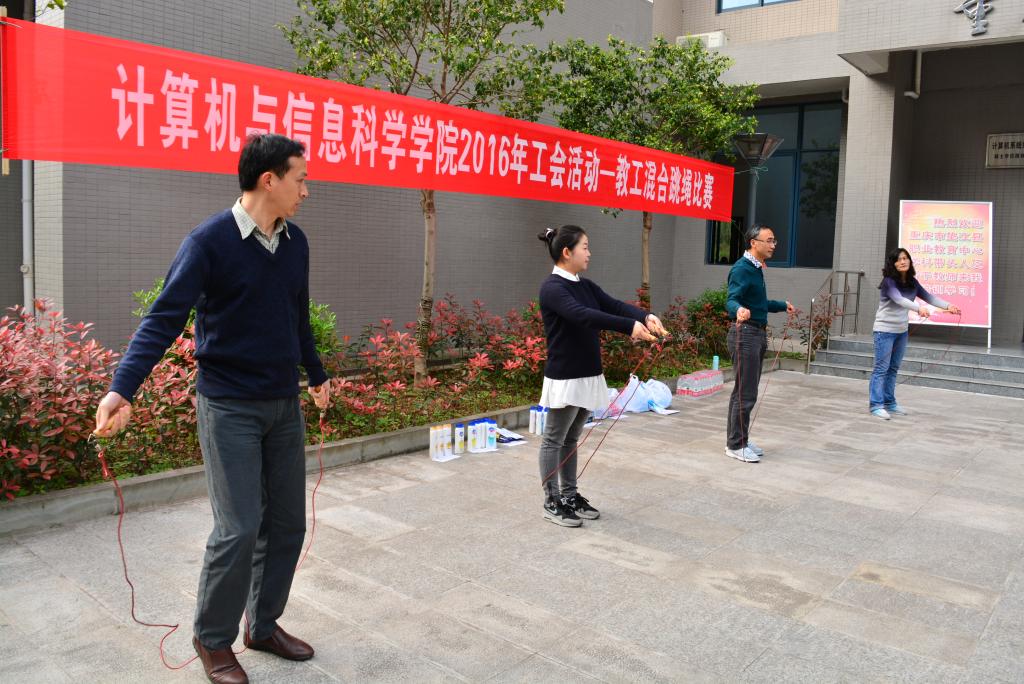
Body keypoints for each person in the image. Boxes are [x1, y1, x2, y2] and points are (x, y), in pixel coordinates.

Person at [94, 134, 331, 684]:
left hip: (282, 405)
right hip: (229, 407)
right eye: (300, 179)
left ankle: (262, 625)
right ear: (268, 179)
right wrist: (121, 389)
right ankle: (212, 638)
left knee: (287, 524)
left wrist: (317, 375)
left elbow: (297, 317)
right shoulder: (208, 242)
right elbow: (163, 319)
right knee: (239, 527)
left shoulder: (295, 242)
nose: (306, 191)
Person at [536, 225, 667, 526]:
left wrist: (644, 316)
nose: (589, 253)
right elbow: (582, 315)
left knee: (571, 438)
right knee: (554, 439)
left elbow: (613, 305)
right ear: (567, 252)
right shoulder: (553, 288)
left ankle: (570, 495)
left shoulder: (586, 285)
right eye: (584, 247)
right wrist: (628, 327)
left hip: (589, 373)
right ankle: (552, 501)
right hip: (566, 376)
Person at [724, 223, 794, 463]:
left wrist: (782, 305)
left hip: (755, 334)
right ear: (754, 243)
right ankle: (735, 445)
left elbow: (759, 304)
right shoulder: (742, 269)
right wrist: (738, 310)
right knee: (745, 393)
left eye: (774, 240)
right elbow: (731, 300)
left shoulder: (755, 268)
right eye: (769, 240)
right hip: (745, 335)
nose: (773, 245)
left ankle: (740, 438)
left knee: (746, 391)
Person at [869, 247, 960, 420]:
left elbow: (930, 297)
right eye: (899, 259)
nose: (903, 261)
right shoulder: (889, 282)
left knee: (893, 368)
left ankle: (890, 403)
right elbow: (899, 300)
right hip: (884, 331)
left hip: (901, 331)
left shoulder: (913, 282)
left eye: (905, 258)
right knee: (881, 369)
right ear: (893, 264)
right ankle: (876, 405)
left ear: (910, 261)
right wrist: (918, 309)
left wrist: (948, 306)